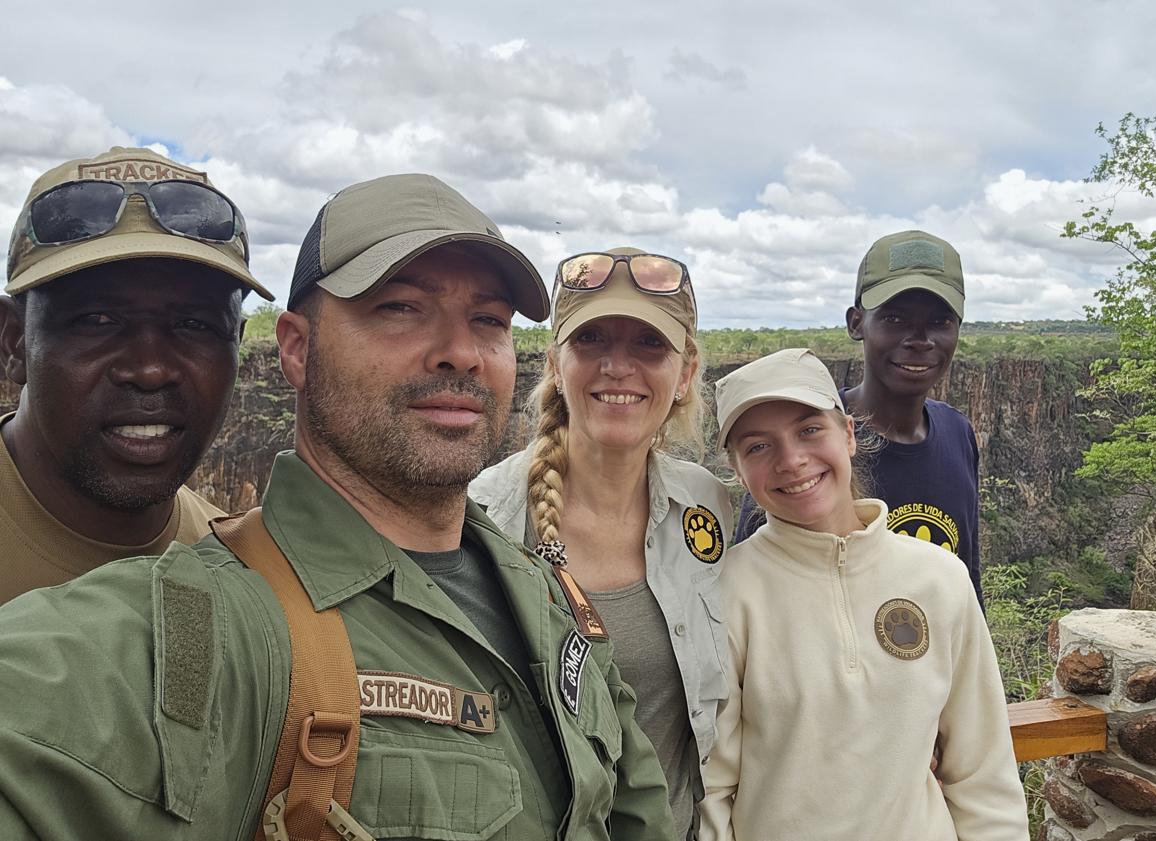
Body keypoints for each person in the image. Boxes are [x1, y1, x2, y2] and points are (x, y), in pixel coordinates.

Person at [0, 174, 675, 840]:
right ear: (295, 348)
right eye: (400, 308)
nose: (460, 352)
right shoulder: (206, 628)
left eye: (488, 320)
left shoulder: (550, 602)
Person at [700, 347, 1027, 841]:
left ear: (849, 434)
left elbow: (983, 769)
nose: (792, 461)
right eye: (758, 447)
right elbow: (712, 789)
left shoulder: (939, 578)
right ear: (738, 471)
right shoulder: (726, 593)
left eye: (810, 430)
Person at [471, 247, 733, 840]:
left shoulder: (707, 508)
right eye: (591, 342)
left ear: (686, 373)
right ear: (556, 366)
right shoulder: (485, 518)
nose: (619, 367)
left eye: (649, 345)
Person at [0, 146, 273, 603]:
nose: (150, 370)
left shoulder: (241, 579)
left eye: (194, 325)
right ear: (14, 343)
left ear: (237, 344)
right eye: (98, 320)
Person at [733, 230, 984, 607]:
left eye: (940, 321)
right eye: (896, 319)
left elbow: (968, 576)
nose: (920, 339)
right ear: (856, 324)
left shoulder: (957, 432)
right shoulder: (812, 451)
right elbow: (752, 584)